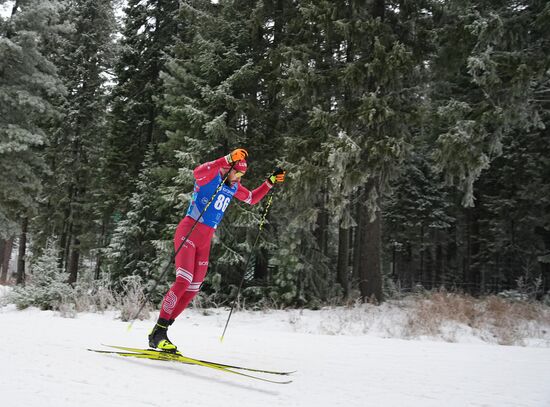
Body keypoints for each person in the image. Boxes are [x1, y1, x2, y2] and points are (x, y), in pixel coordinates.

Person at [148, 148, 286, 351]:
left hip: (205, 241)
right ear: (228, 168)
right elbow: (197, 171)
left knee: (193, 289)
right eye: (236, 173)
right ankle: (158, 332)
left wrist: (270, 182)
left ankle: (160, 332)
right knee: (183, 281)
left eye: (241, 175)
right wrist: (227, 158)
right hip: (188, 231)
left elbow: (252, 198)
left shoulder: (233, 186)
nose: (238, 178)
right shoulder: (210, 177)